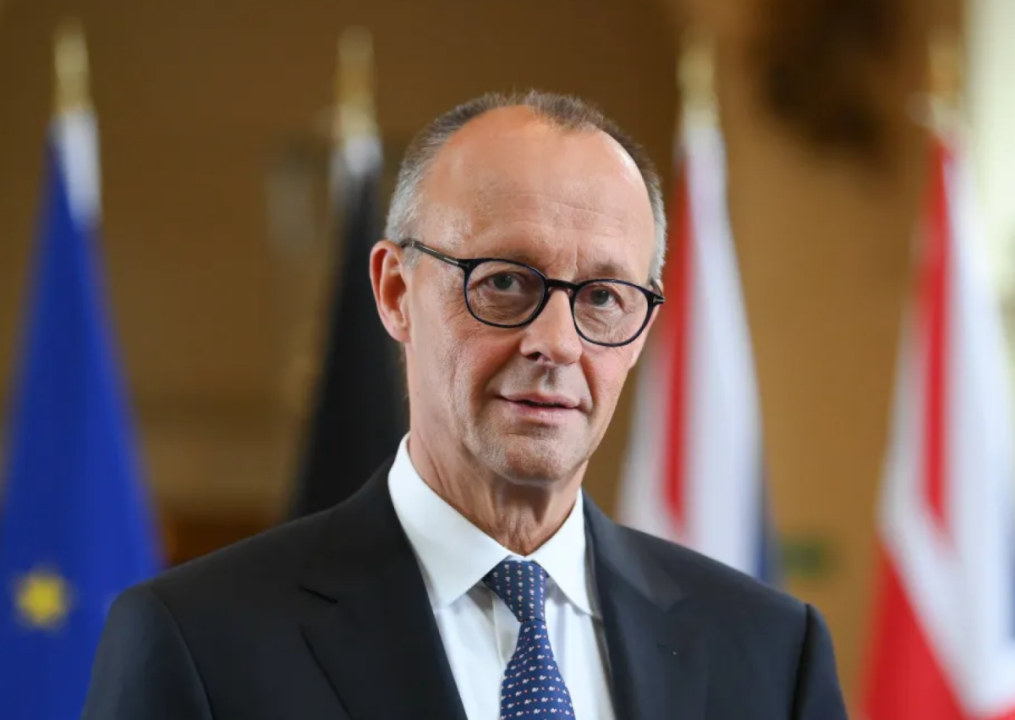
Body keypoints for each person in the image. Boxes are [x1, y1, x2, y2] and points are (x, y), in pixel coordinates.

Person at [82, 91, 848, 720]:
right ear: (395, 292)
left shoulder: (770, 653)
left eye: (603, 297)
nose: (557, 343)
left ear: (642, 326)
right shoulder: (200, 642)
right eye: (504, 282)